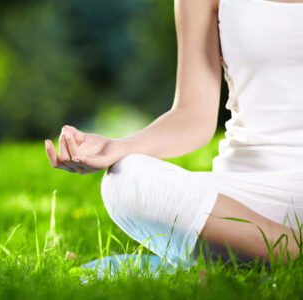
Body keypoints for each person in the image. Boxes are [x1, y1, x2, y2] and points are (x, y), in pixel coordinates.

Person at [45, 0, 303, 266]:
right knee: (126, 179)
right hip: (242, 200)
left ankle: (257, 258)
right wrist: (116, 148)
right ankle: (278, 253)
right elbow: (193, 115)